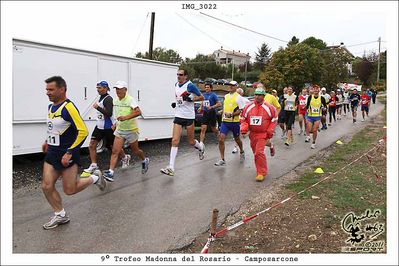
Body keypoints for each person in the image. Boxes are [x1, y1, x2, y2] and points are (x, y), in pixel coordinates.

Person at [41, 76, 105, 230]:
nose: (47, 93)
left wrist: (69, 152)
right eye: (46, 89)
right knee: (46, 186)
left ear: (62, 89)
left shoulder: (68, 107)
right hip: (52, 154)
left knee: (70, 189)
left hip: (67, 155)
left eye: (51, 89)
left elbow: (82, 131)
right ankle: (60, 215)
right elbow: (55, 128)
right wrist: (47, 141)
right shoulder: (51, 107)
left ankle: (95, 177)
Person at [102, 81, 149, 181]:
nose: (118, 91)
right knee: (115, 151)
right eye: (116, 89)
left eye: (120, 89)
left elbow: (138, 112)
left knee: (136, 151)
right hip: (120, 130)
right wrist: (115, 124)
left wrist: (126, 117)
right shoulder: (115, 101)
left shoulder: (130, 100)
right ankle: (111, 172)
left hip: (131, 130)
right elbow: (117, 114)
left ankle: (144, 160)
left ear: (125, 90)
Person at [81, 81, 130, 177]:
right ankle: (94, 165)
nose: (98, 90)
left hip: (108, 127)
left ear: (106, 88)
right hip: (99, 126)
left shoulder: (108, 99)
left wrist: (98, 108)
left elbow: (109, 113)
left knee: (114, 147)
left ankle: (125, 157)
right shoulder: (101, 98)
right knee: (92, 145)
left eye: (100, 88)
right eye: (97, 88)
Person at [161, 69, 204, 176]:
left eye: (181, 75)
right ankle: (171, 167)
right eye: (177, 75)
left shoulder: (190, 86)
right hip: (178, 115)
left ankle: (200, 147)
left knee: (190, 141)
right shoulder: (176, 84)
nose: (178, 77)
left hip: (189, 117)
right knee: (175, 140)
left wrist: (190, 99)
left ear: (186, 76)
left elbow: (201, 97)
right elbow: (179, 98)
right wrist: (176, 103)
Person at [240, 87, 278, 182]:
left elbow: (274, 119)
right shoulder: (248, 107)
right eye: (256, 95)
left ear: (263, 96)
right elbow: (243, 118)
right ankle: (271, 145)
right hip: (253, 134)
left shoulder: (269, 107)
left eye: (259, 95)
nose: (257, 97)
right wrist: (244, 128)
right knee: (255, 152)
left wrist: (270, 130)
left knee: (258, 153)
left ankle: (261, 172)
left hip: (263, 133)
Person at [214, 80, 246, 166]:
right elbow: (226, 107)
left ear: (236, 87)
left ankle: (242, 150)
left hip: (234, 122)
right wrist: (222, 111)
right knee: (221, 139)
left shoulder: (238, 97)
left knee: (237, 139)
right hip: (225, 122)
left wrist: (231, 114)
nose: (230, 87)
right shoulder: (226, 96)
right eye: (229, 85)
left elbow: (241, 110)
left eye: (232, 85)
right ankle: (222, 159)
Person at [305, 85, 327, 149]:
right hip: (310, 116)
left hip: (317, 116)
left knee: (314, 130)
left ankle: (313, 142)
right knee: (309, 130)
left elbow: (325, 106)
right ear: (313, 90)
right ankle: (316, 129)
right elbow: (307, 105)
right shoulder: (310, 97)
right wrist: (307, 109)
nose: (315, 90)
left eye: (317, 89)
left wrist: (324, 109)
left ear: (319, 90)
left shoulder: (322, 98)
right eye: (314, 89)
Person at [232, 87, 250, 154]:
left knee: (239, 134)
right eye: (237, 92)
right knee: (236, 134)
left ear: (242, 93)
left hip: (243, 119)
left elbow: (249, 109)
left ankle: (237, 147)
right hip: (236, 119)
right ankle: (236, 147)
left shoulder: (246, 100)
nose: (238, 94)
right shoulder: (234, 99)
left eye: (239, 92)